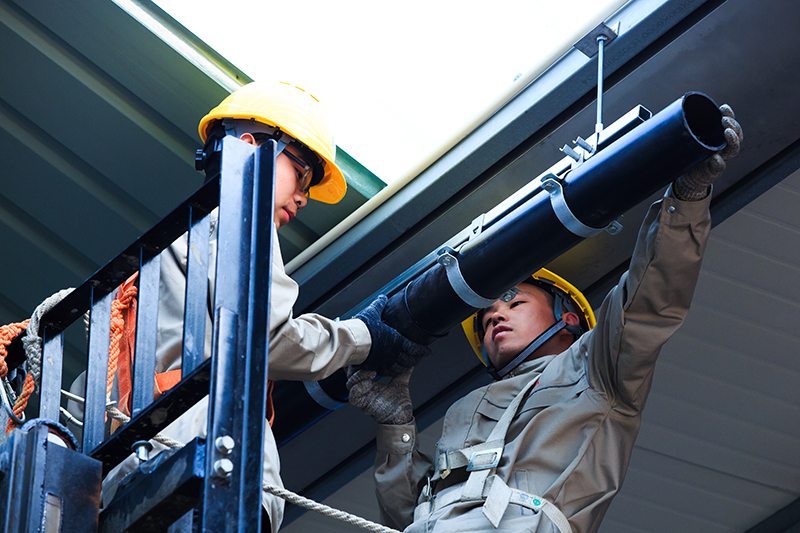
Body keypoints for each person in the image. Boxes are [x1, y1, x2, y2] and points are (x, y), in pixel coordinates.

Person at [346, 105, 743, 532]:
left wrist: (687, 199)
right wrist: (396, 429)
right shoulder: (464, 411)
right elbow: (413, 517)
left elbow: (652, 299)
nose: (495, 314)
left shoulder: (597, 370)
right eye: (483, 319)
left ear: (568, 318)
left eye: (514, 303)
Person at [73, 81, 428, 532]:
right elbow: (271, 338)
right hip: (201, 465)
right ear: (249, 147)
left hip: (124, 479)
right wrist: (363, 337)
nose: (303, 196)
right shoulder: (242, 218)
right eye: (302, 173)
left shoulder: (172, 246)